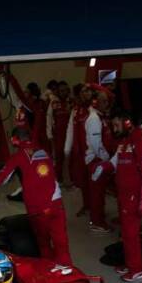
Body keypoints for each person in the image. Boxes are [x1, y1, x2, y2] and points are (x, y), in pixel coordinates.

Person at [0, 128, 72, 266]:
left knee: (44, 246)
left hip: (38, 209)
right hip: (56, 204)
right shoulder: (44, 151)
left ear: (15, 140)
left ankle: (50, 275)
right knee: (62, 246)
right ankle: (69, 276)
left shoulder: (17, 157)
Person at [102, 111, 142, 282]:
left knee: (131, 233)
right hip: (123, 194)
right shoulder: (124, 141)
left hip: (133, 196)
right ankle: (130, 263)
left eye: (117, 125)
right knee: (125, 233)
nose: (114, 129)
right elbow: (116, 163)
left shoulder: (140, 139)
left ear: (127, 123)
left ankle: (137, 269)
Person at [83, 87, 115, 234]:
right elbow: (96, 144)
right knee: (97, 194)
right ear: (95, 102)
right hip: (96, 160)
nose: (106, 104)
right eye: (103, 101)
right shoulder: (94, 119)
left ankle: (98, 218)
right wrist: (107, 159)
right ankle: (97, 222)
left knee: (100, 193)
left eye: (107, 101)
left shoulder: (100, 117)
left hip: (99, 160)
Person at [63, 83, 94, 217]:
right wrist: (67, 150)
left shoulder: (95, 108)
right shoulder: (75, 110)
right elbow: (70, 129)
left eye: (87, 91)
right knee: (83, 182)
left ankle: (97, 210)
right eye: (82, 91)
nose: (85, 94)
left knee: (95, 183)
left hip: (94, 152)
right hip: (80, 152)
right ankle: (87, 205)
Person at [47, 81, 72, 181]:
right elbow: (49, 119)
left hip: (70, 135)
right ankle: (58, 179)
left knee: (71, 157)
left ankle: (71, 178)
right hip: (58, 136)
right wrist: (49, 135)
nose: (63, 92)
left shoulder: (71, 102)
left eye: (65, 90)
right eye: (61, 91)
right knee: (58, 158)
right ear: (58, 91)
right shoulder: (53, 103)